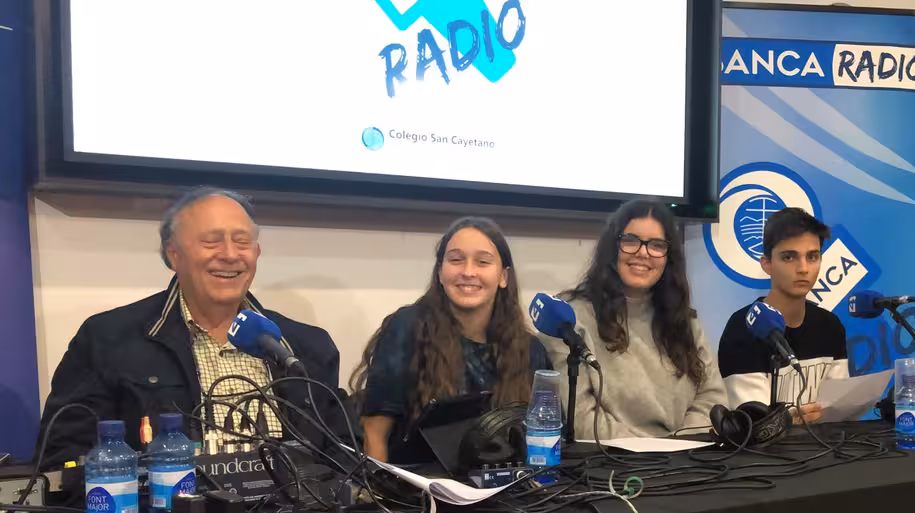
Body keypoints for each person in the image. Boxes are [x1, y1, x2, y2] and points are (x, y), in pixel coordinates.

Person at [38, 187, 349, 466]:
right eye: (211, 241)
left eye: (242, 242)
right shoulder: (108, 339)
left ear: (256, 253)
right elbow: (64, 460)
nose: (230, 254)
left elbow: (345, 456)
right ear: (173, 254)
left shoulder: (305, 347)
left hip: (295, 512)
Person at [351, 217, 551, 463]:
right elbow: (374, 432)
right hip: (417, 483)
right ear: (440, 272)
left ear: (503, 276)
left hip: (507, 484)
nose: (468, 272)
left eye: (483, 262)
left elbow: (546, 438)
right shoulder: (407, 328)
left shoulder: (530, 349)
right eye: (456, 260)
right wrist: (378, 485)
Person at [547, 199, 726, 440]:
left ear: (668, 257)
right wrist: (650, 451)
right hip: (608, 458)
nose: (643, 253)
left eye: (656, 245)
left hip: (684, 455)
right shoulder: (569, 317)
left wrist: (678, 445)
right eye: (630, 241)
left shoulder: (686, 322)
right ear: (613, 248)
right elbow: (580, 416)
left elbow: (712, 399)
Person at [717, 208, 848, 421]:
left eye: (812, 257)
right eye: (789, 257)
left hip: (824, 440)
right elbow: (754, 421)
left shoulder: (830, 326)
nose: (803, 268)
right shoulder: (744, 327)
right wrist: (789, 422)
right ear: (766, 263)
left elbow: (839, 410)